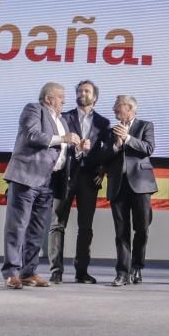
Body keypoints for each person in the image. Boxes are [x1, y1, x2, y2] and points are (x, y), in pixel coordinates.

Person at [0, 83, 81, 289]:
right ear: (47, 99)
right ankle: (11, 272)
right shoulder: (34, 109)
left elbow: (61, 150)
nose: (64, 100)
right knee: (17, 226)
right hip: (26, 177)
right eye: (60, 96)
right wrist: (64, 138)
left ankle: (28, 272)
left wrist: (78, 148)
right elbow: (33, 136)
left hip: (49, 181)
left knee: (37, 229)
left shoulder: (62, 120)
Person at [47, 79, 110, 285]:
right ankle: (56, 271)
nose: (83, 93)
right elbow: (56, 145)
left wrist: (102, 170)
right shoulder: (63, 117)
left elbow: (106, 152)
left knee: (86, 227)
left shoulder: (103, 123)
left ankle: (81, 271)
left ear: (95, 97)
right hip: (64, 176)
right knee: (57, 224)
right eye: (80, 90)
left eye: (87, 90)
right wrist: (76, 149)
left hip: (89, 179)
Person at [92, 95, 158, 287]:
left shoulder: (146, 126)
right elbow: (104, 157)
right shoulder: (111, 131)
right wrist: (116, 146)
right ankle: (122, 272)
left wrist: (127, 138)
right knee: (121, 231)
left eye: (117, 106)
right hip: (118, 184)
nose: (114, 110)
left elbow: (148, 148)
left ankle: (136, 267)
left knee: (142, 229)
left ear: (130, 108)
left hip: (141, 185)